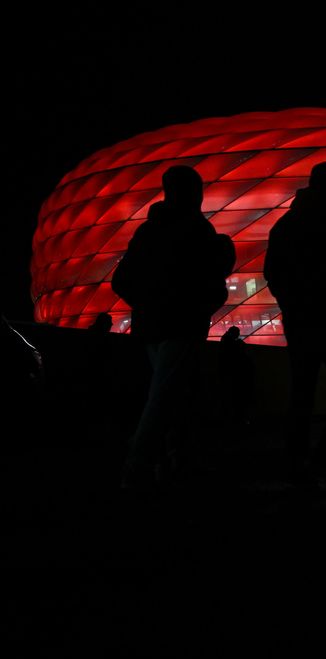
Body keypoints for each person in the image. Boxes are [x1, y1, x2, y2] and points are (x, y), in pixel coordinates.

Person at [111, 165, 235, 489]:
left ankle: (175, 461)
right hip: (183, 324)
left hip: (150, 326)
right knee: (164, 395)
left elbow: (121, 280)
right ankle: (137, 465)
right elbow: (211, 278)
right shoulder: (197, 231)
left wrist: (147, 304)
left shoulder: (147, 232)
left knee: (174, 393)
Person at [264, 162, 326, 488]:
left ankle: (299, 463)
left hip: (302, 320)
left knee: (302, 392)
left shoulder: (287, 223)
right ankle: (323, 457)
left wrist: (291, 305)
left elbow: (272, 273)